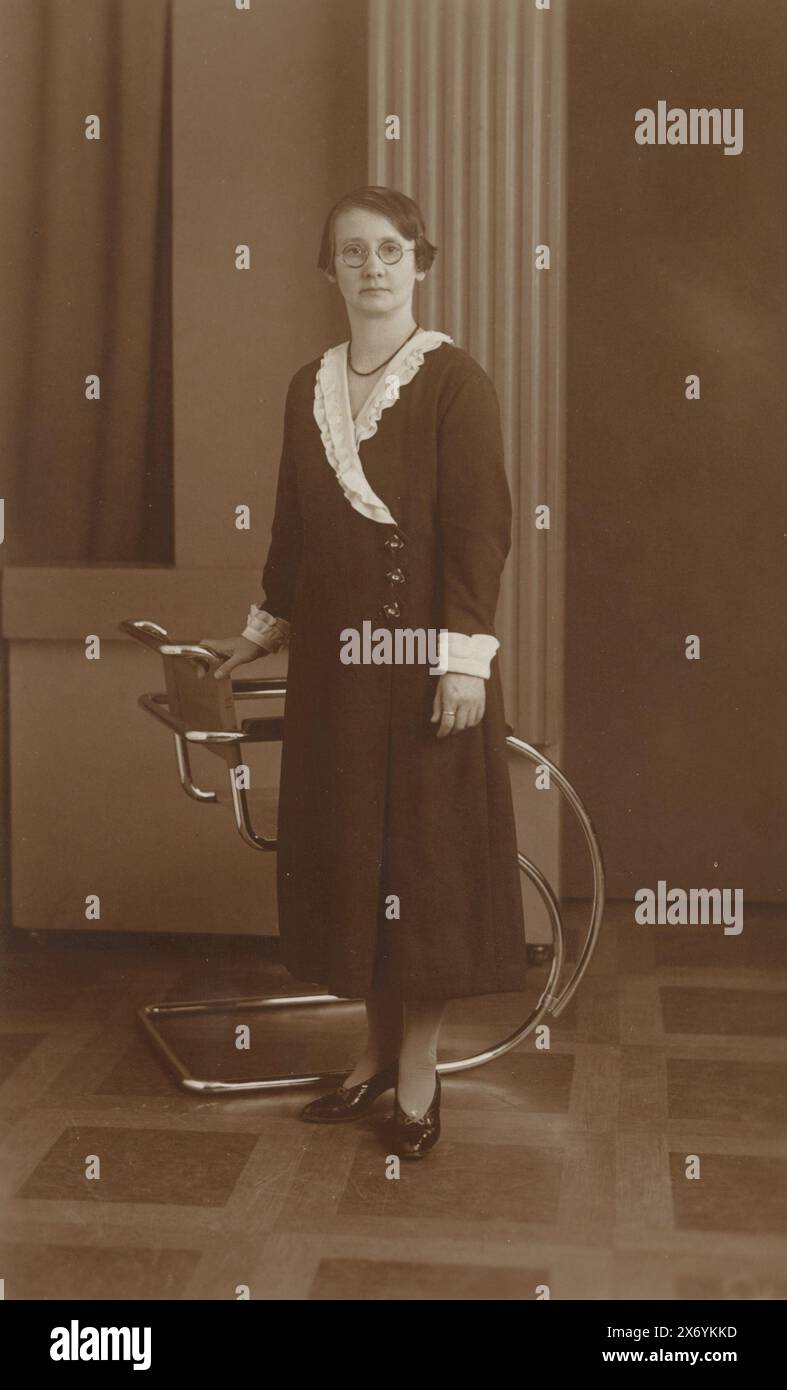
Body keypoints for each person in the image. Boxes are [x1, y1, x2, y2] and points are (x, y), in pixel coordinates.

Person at [201, 186, 527, 1158]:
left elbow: (481, 530)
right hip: (340, 676)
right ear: (329, 269)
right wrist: (258, 633)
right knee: (358, 869)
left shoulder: (454, 381)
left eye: (389, 250)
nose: (372, 267)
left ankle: (418, 1076)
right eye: (352, 252)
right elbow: (293, 530)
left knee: (418, 876)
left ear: (419, 263)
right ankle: (373, 1055)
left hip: (427, 670)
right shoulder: (309, 384)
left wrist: (463, 659)